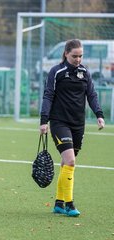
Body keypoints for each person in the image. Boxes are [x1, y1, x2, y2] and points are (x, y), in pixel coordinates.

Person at [39, 39, 105, 217]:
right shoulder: (56, 71)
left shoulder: (85, 72)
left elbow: (91, 94)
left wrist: (99, 114)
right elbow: (48, 95)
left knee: (66, 163)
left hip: (78, 124)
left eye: (81, 56)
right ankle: (69, 204)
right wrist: (44, 120)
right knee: (70, 162)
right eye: (75, 56)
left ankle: (58, 203)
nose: (78, 59)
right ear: (66, 54)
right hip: (59, 122)